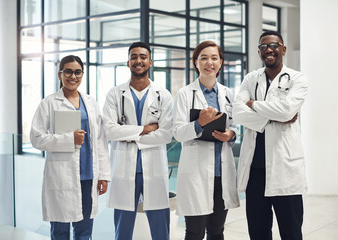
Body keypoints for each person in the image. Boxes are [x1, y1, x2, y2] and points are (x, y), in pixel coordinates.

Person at [232, 31, 308, 240]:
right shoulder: (251, 78)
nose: (269, 50)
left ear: (283, 49)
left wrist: (253, 105)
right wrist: (274, 116)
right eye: (263, 47)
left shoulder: (298, 78)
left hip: (285, 170)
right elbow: (237, 112)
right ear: (259, 52)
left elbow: (287, 111)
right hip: (255, 171)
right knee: (258, 233)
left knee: (291, 232)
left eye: (273, 45)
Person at [30, 55, 111, 240]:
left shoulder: (90, 102)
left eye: (77, 72)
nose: (73, 76)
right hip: (62, 175)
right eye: (68, 71)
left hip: (89, 175)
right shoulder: (49, 103)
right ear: (60, 74)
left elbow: (100, 140)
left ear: (82, 74)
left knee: (84, 230)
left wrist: (104, 175)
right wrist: (69, 140)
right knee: (60, 230)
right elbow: (36, 138)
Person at [103, 41, 173, 240]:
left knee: (161, 230)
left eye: (143, 57)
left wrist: (130, 136)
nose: (138, 60)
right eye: (134, 57)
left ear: (150, 62)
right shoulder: (115, 94)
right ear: (128, 62)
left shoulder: (163, 95)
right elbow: (109, 130)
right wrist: (144, 129)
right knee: (122, 231)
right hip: (125, 169)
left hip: (154, 169)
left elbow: (166, 134)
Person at [173, 40, 240, 240]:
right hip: (196, 174)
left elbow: (234, 126)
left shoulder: (228, 94)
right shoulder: (186, 94)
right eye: (203, 58)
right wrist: (199, 124)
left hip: (221, 174)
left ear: (220, 63)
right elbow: (177, 132)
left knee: (217, 231)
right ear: (195, 62)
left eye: (214, 58)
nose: (209, 62)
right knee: (194, 232)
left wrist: (231, 135)